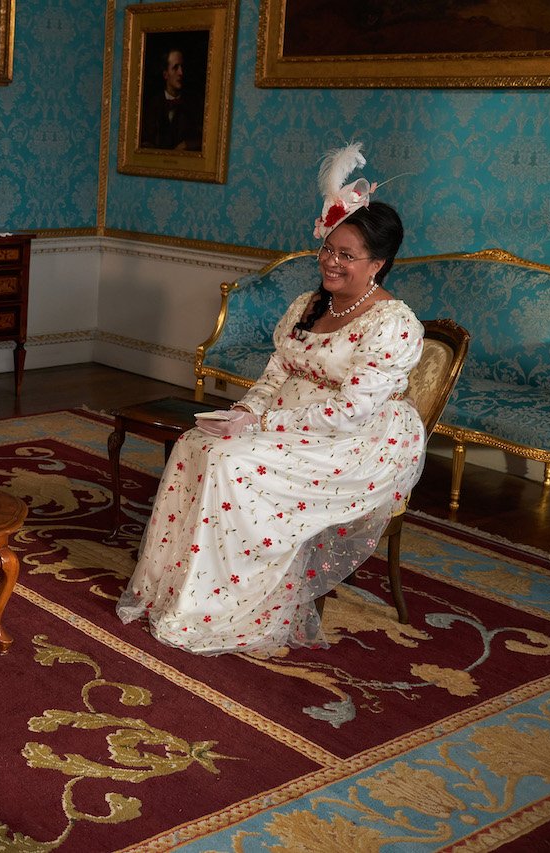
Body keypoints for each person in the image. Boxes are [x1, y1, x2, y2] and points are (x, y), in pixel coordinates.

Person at [117, 144, 425, 654]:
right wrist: (245, 411)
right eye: (328, 249)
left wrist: (260, 429)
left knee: (231, 462)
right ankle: (173, 591)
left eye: (347, 255)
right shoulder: (309, 304)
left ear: (380, 265)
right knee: (198, 443)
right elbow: (274, 373)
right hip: (285, 421)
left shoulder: (394, 325)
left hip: (354, 441)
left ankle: (221, 608)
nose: (330, 261)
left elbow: (350, 412)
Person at [139, 47, 202, 152]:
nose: (181, 72)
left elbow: (204, 138)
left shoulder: (195, 104)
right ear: (165, 74)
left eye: (182, 67)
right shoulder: (151, 105)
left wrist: (188, 145)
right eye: (175, 67)